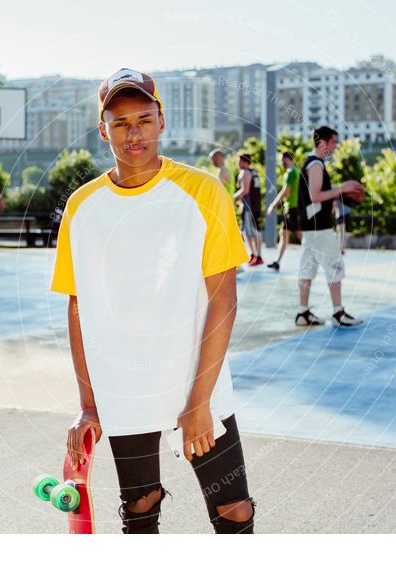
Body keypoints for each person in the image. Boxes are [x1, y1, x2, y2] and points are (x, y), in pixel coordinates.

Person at [51, 68, 255, 534]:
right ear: (103, 129)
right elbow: (77, 307)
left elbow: (223, 300)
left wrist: (199, 401)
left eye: (143, 119)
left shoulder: (204, 191)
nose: (133, 132)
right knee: (140, 511)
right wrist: (88, 404)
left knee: (234, 511)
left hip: (195, 382)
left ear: (162, 120)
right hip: (125, 389)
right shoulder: (81, 207)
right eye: (120, 123)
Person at [295, 126, 365, 327]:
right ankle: (338, 313)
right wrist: (342, 189)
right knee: (334, 267)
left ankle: (303, 313)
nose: (335, 146)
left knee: (307, 269)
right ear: (323, 143)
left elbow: (318, 193)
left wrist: (340, 188)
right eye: (333, 142)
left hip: (311, 227)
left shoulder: (311, 163)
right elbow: (315, 196)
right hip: (320, 228)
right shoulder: (316, 165)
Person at [265, 152, 302, 271]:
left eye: (282, 160)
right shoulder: (296, 171)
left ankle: (318, 258)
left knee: (299, 235)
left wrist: (272, 205)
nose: (281, 163)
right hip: (291, 207)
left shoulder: (291, 172)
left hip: (293, 208)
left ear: (288, 159)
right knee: (284, 234)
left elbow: (285, 191)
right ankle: (277, 262)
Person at [233, 153, 263, 266]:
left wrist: (234, 198)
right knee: (253, 231)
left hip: (249, 207)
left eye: (240, 161)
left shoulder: (245, 172)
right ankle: (256, 255)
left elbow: (245, 190)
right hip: (256, 205)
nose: (238, 163)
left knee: (247, 232)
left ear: (245, 162)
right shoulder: (254, 172)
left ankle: (256, 255)